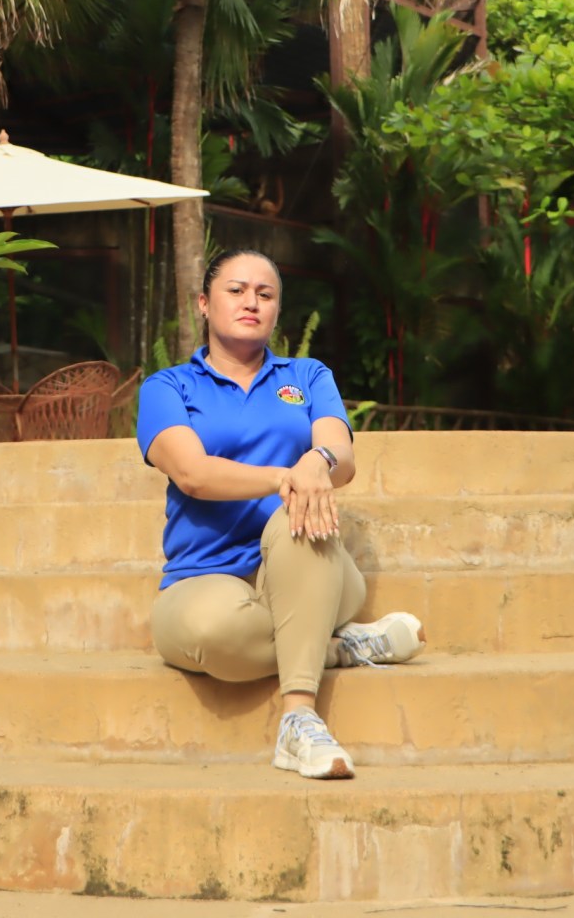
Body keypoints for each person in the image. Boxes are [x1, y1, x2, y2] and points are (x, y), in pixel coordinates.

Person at [136, 249, 425, 780]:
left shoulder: (307, 376)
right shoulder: (168, 387)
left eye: (265, 294)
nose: (251, 302)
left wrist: (318, 461)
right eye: (236, 290)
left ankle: (298, 719)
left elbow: (340, 453)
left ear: (276, 310)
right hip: (205, 580)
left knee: (299, 517)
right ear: (204, 303)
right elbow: (193, 473)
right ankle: (337, 646)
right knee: (211, 632)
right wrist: (284, 477)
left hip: (310, 566)